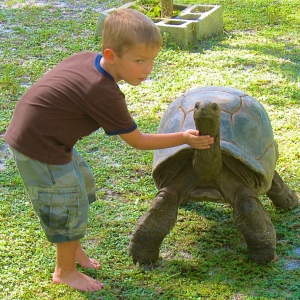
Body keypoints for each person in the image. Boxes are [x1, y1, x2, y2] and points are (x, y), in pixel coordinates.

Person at [4, 8, 214, 292]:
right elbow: (138, 141)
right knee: (66, 206)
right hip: (39, 146)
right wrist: (184, 138)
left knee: (82, 185)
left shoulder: (88, 61)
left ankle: (73, 250)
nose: (147, 69)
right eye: (139, 61)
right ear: (112, 55)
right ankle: (64, 270)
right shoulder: (103, 93)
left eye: (151, 60)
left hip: (45, 137)